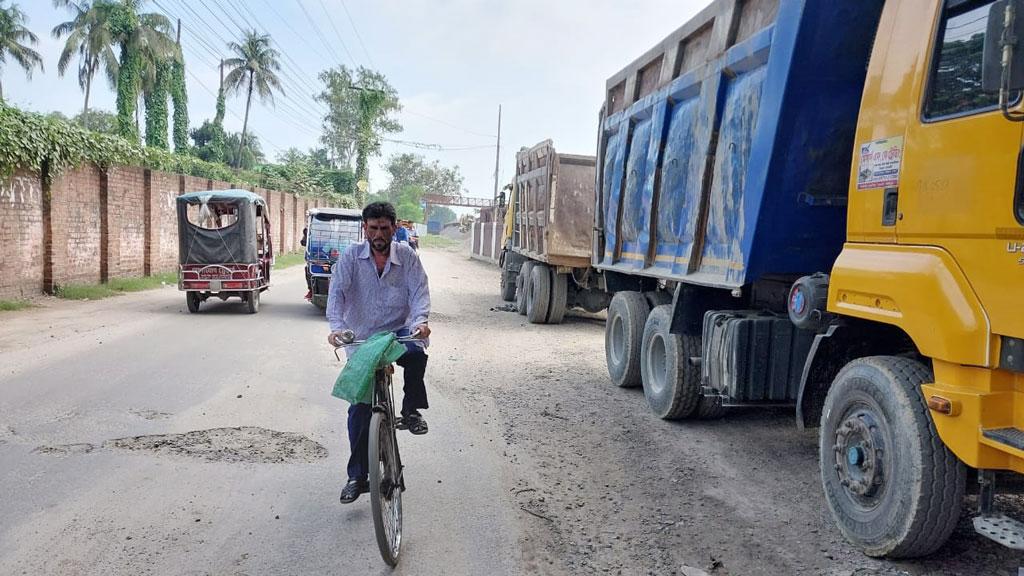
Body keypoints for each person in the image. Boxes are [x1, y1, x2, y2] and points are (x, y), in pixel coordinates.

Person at [326, 201, 432, 504]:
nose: (378, 234)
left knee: (416, 354)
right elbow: (337, 297)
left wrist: (420, 323)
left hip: (397, 331)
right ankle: (357, 476)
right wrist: (336, 329)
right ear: (365, 229)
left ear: (394, 228)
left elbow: (419, 293)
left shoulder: (408, 257)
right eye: (373, 228)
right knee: (359, 408)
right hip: (361, 337)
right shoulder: (350, 258)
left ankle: (410, 410)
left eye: (384, 228)